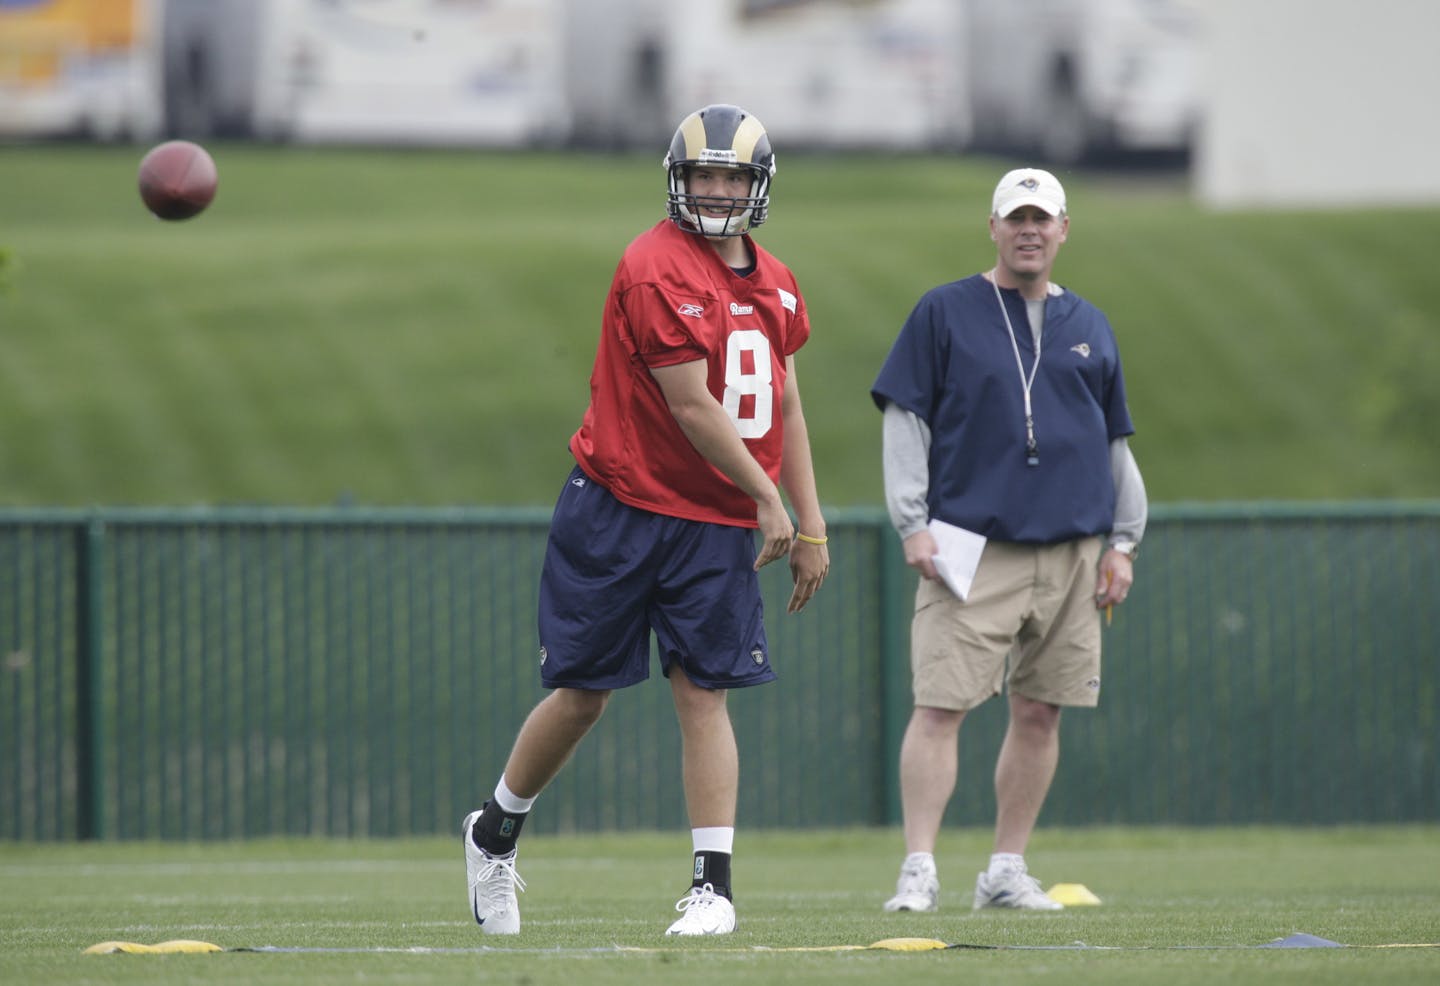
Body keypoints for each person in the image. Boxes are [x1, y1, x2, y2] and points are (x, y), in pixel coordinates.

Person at [462, 104, 829, 938]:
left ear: (757, 186)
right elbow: (694, 408)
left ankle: (713, 888)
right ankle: (494, 832)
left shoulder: (775, 279)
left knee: (705, 695)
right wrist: (768, 500)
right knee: (583, 696)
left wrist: (810, 520)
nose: (717, 190)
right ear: (679, 179)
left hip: (712, 523)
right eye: (704, 175)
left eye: (733, 176)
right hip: (622, 504)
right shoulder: (653, 265)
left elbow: (786, 399)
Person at [870, 167, 1147, 912]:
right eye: (1015, 218)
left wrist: (1124, 540)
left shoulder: (1088, 324)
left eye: (1042, 219)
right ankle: (919, 869)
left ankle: (1004, 870)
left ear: (1063, 230)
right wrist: (913, 521)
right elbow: (906, 419)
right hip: (970, 545)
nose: (1029, 231)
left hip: (1072, 553)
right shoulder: (945, 312)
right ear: (992, 227)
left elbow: (1113, 443)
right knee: (940, 706)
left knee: (1041, 709)